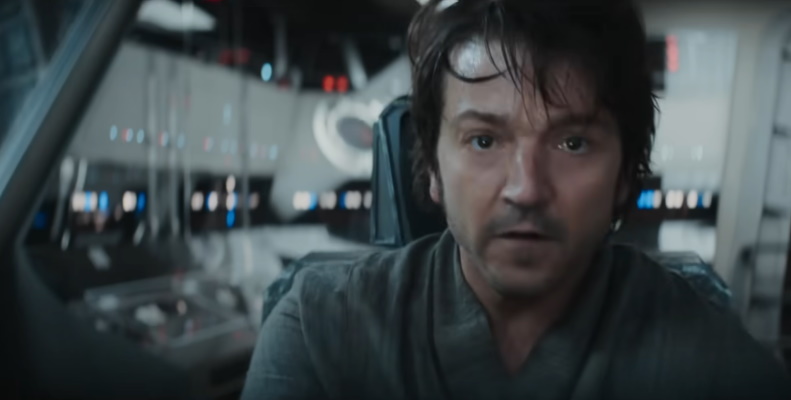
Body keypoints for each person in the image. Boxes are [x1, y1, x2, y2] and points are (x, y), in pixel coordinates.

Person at [242, 0, 791, 398]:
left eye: (573, 143)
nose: (526, 188)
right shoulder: (320, 332)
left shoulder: (705, 352)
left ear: (625, 174)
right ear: (433, 168)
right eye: (484, 141)